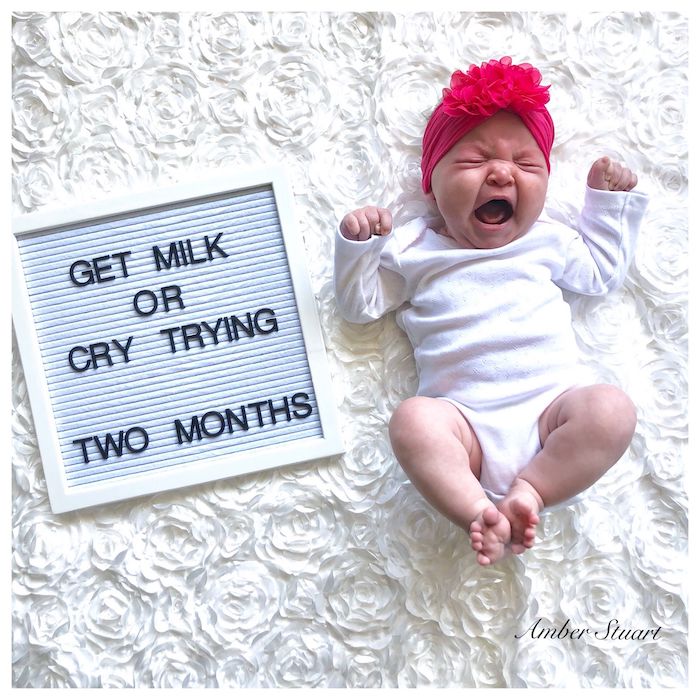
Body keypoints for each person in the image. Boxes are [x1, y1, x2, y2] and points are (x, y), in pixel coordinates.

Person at [334, 57, 648, 565]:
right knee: (413, 421)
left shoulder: (548, 239)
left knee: (612, 410)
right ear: (431, 183)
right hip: (463, 426)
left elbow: (601, 273)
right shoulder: (414, 247)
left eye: (527, 165)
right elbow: (359, 307)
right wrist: (358, 247)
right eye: (474, 161)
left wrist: (607, 206)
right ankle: (475, 508)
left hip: (553, 415)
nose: (501, 172)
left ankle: (533, 490)